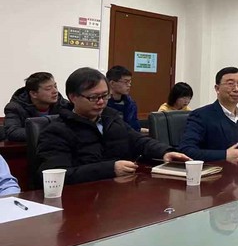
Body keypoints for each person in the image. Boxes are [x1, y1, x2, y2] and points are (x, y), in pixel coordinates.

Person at [37, 67, 190, 185]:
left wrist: (164, 152)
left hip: (119, 192)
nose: (101, 102)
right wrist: (110, 169)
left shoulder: (111, 118)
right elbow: (54, 176)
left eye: (105, 96)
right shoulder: (57, 131)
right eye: (93, 97)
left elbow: (138, 140)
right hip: (81, 199)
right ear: (73, 97)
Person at [178, 67, 238, 162]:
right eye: (230, 84)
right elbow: (186, 150)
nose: (236, 89)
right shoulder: (201, 115)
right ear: (217, 88)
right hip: (217, 170)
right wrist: (224, 155)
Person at [4, 72, 68, 142]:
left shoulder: (63, 104)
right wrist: (49, 132)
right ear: (33, 94)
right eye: (48, 88)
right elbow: (13, 133)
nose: (55, 91)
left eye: (55, 86)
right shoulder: (15, 107)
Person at [106, 66, 141, 131]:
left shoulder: (131, 104)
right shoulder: (103, 104)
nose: (129, 85)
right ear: (112, 83)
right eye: (126, 82)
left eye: (130, 82)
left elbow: (135, 128)